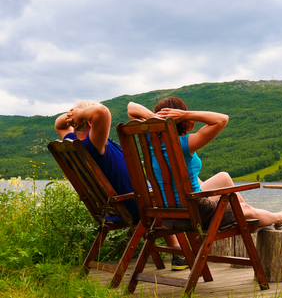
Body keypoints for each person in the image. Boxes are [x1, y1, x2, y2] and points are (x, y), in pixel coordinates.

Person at [54, 100, 189, 271]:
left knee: (156, 195)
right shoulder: (93, 145)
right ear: (90, 122)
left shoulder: (73, 145)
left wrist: (74, 115)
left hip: (113, 208)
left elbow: (59, 125)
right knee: (168, 194)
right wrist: (80, 114)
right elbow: (102, 112)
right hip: (133, 206)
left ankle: (177, 251)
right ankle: (180, 252)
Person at [127, 98, 282, 230]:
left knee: (223, 177)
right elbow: (222, 119)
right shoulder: (185, 144)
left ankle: (246, 208)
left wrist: (155, 121)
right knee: (248, 214)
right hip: (194, 211)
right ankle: (280, 217)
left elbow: (131, 107)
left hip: (167, 213)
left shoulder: (149, 141)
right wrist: (184, 115)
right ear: (182, 121)